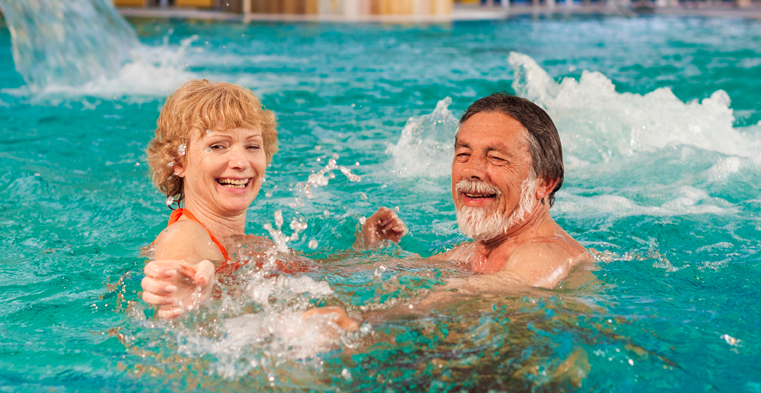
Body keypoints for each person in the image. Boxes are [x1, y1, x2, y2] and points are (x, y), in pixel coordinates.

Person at [139, 79, 391, 325]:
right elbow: (177, 262)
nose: (241, 162)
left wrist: (366, 248)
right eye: (217, 146)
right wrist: (184, 288)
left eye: (252, 146)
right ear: (178, 162)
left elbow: (321, 275)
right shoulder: (185, 234)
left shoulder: (252, 245)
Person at [363, 93, 591, 298]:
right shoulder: (469, 254)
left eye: (496, 158)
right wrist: (373, 250)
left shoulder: (548, 253)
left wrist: (362, 321)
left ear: (544, 182)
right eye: (464, 154)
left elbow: (504, 289)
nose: (471, 170)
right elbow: (362, 274)